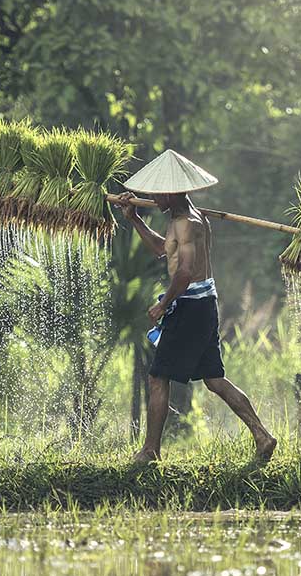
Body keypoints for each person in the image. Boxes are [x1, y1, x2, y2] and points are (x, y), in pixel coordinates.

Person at [114, 149, 278, 464]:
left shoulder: (187, 222)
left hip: (190, 307)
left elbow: (185, 274)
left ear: (173, 192)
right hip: (204, 304)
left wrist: (164, 304)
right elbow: (164, 250)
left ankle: (150, 451)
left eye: (158, 192)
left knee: (157, 377)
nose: (153, 196)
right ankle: (262, 435)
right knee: (214, 379)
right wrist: (133, 218)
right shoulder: (189, 219)